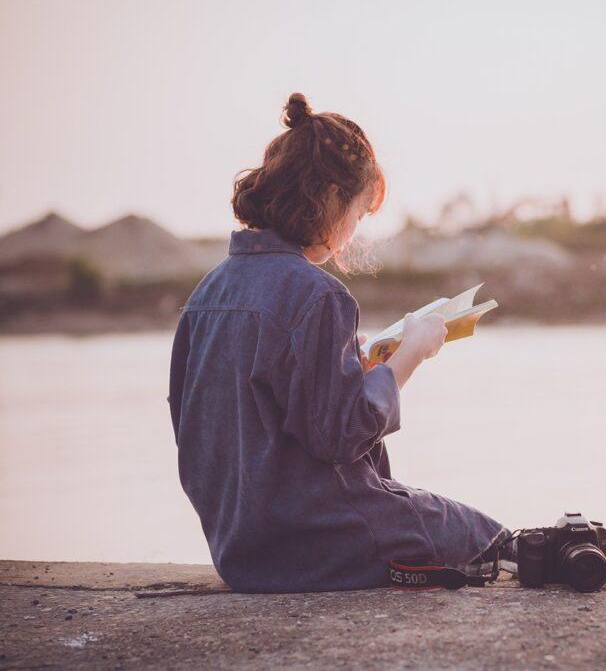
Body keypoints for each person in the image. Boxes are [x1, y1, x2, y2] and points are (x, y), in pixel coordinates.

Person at [167, 93, 510, 592]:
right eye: (358, 213)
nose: (353, 233)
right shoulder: (318, 294)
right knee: (484, 537)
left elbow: (204, 421)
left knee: (440, 520)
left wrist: (351, 365)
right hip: (311, 543)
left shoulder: (207, 293)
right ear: (329, 197)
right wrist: (410, 355)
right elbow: (341, 434)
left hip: (238, 549)